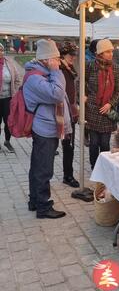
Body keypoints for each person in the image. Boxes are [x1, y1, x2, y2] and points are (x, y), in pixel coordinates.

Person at [23, 39, 71, 219]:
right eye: (56, 59)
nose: (59, 62)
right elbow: (57, 94)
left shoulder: (43, 74)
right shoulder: (35, 78)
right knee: (43, 168)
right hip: (44, 129)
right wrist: (56, 71)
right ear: (47, 59)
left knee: (37, 165)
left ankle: (35, 201)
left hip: (47, 127)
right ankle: (43, 207)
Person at [85, 39, 119, 169]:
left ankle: (104, 167)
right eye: (107, 51)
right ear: (100, 53)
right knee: (94, 143)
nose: (111, 54)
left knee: (105, 143)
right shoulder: (90, 66)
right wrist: (83, 96)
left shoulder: (116, 68)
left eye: (111, 51)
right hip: (93, 109)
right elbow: (81, 82)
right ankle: (94, 167)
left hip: (107, 111)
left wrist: (110, 104)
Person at [59, 42, 79, 188]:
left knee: (69, 144)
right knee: (67, 143)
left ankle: (68, 174)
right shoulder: (59, 68)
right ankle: (68, 175)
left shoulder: (69, 68)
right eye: (70, 55)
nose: (73, 57)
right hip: (62, 111)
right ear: (63, 55)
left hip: (70, 110)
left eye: (74, 55)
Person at [0, 42, 21, 152]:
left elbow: (17, 78)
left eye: (2, 50)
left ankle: (7, 141)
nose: (1, 52)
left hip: (8, 98)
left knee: (8, 121)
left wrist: (15, 92)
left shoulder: (9, 63)